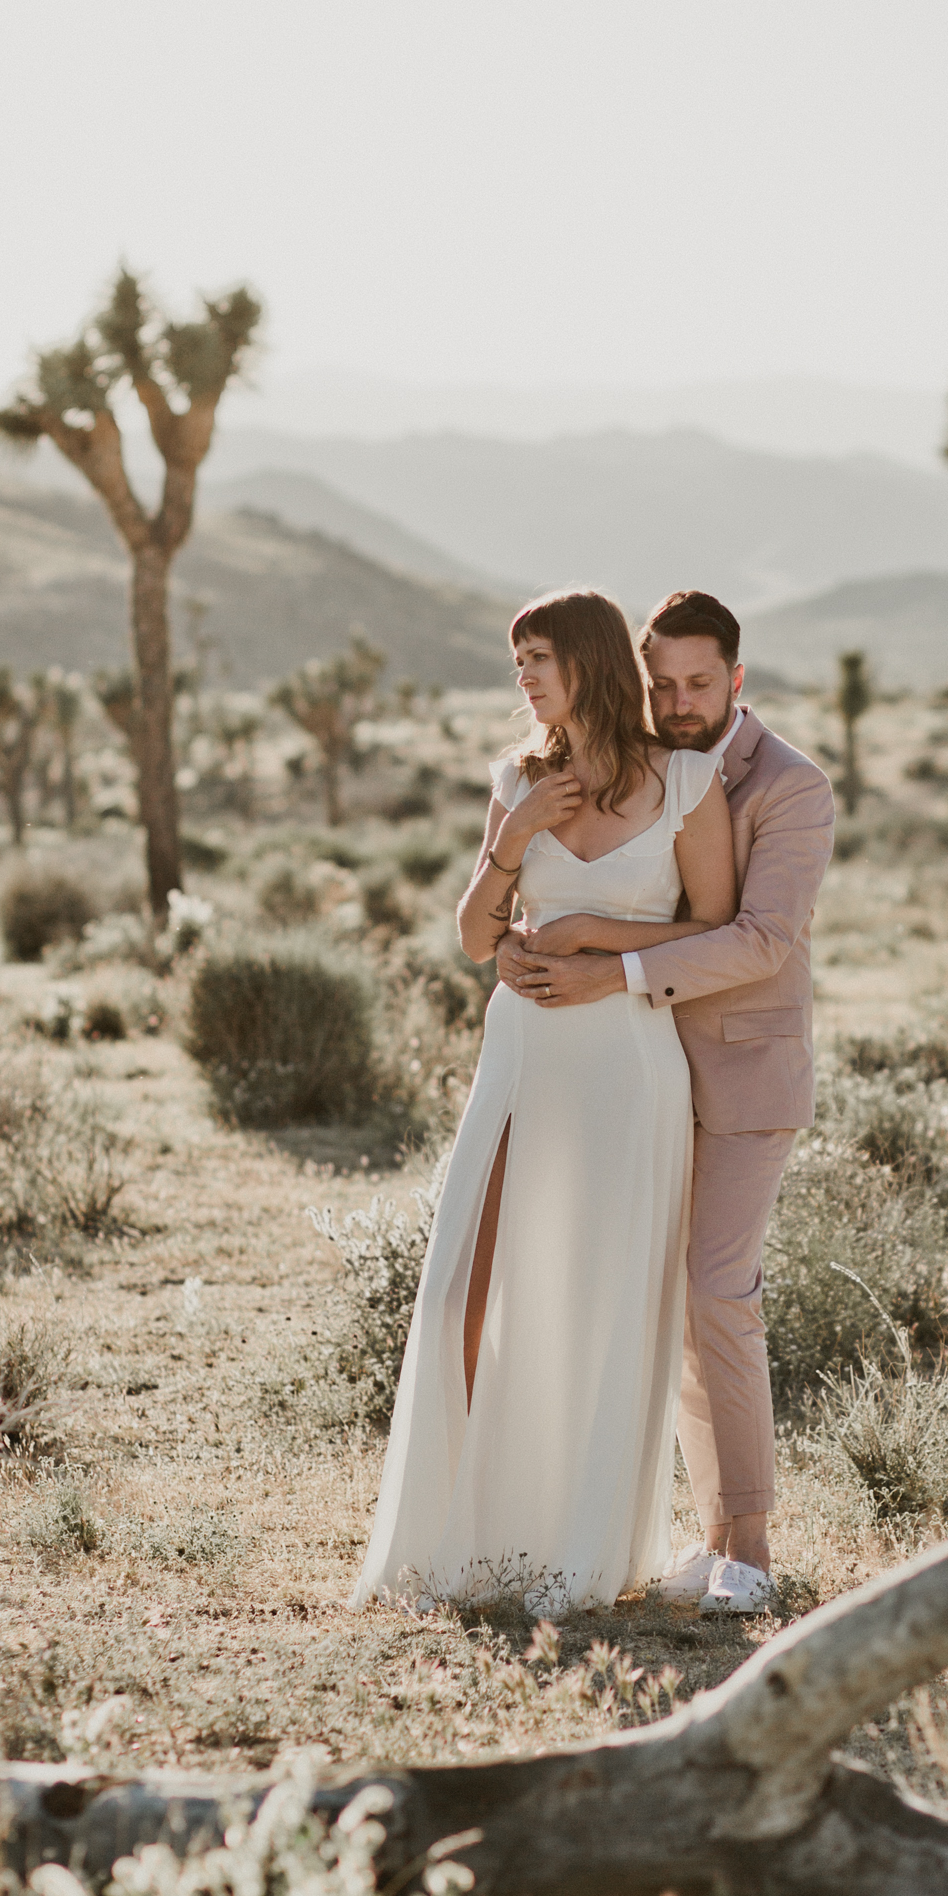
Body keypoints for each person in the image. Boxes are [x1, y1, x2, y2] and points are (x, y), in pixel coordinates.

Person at [351, 588, 735, 1613]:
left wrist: (588, 940)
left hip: (628, 1060)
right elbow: (476, 938)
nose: (522, 679)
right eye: (516, 661)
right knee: (464, 1291)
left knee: (599, 1299)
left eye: (538, 659)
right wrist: (513, 835)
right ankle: (455, 1535)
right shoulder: (517, 780)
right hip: (524, 1055)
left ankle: (574, 1551)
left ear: (592, 663)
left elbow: (715, 930)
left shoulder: (686, 781)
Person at [500, 589, 835, 1614]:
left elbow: (760, 941)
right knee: (668, 1305)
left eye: (698, 683)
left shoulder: (790, 786)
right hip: (640, 1077)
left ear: (736, 678)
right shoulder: (639, 768)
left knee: (715, 1294)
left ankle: (756, 1551)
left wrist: (610, 961)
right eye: (662, 683)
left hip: (739, 1076)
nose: (678, 701)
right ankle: (713, 1536)